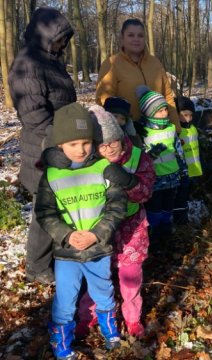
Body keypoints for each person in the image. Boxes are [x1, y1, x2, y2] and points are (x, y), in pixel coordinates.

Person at [34, 103, 127, 358]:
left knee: (104, 290)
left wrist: (97, 233)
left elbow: (117, 205)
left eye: (85, 142)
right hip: (67, 253)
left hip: (98, 248)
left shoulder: (103, 168)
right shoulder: (51, 175)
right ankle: (61, 344)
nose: (81, 150)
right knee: (65, 298)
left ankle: (110, 331)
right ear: (60, 145)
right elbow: (44, 211)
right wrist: (66, 234)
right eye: (73, 144)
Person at [8, 7, 76, 284]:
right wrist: (60, 137)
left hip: (60, 142)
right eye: (58, 38)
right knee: (45, 209)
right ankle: (36, 266)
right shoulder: (28, 64)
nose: (62, 44)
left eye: (64, 39)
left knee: (60, 205)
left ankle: (57, 255)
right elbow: (33, 113)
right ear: (45, 35)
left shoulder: (50, 60)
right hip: (44, 147)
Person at [75, 105, 155, 339]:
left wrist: (129, 182)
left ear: (121, 137)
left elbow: (147, 191)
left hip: (132, 227)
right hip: (99, 229)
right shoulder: (88, 163)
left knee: (130, 277)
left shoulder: (138, 156)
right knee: (97, 277)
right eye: (102, 144)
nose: (108, 148)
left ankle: (132, 318)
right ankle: (87, 317)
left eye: (113, 141)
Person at [95, 18, 181, 133]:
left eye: (140, 35)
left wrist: (177, 129)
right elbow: (103, 101)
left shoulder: (155, 63)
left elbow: (168, 97)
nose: (136, 39)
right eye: (131, 35)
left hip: (159, 131)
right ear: (122, 38)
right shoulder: (112, 64)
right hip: (127, 134)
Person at [135, 86, 187, 249]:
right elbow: (140, 158)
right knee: (154, 207)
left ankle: (166, 229)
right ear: (148, 113)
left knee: (168, 206)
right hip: (154, 180)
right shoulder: (143, 132)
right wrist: (151, 155)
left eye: (165, 109)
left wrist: (183, 171)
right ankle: (154, 233)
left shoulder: (171, 129)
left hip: (172, 177)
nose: (164, 114)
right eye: (159, 111)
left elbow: (179, 151)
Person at [173, 96, 203, 225]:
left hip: (193, 170)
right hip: (181, 173)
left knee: (185, 195)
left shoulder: (193, 128)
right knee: (179, 198)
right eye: (184, 115)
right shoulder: (176, 132)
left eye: (190, 115)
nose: (188, 119)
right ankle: (180, 221)